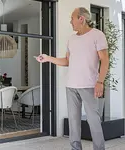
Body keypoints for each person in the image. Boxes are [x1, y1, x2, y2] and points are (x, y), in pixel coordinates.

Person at [36, 7, 109, 150]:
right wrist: (47, 58)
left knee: (93, 121)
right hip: (71, 86)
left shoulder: (97, 35)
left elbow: (105, 60)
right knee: (73, 122)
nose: (71, 22)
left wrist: (100, 81)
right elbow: (67, 61)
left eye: (72, 18)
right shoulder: (72, 39)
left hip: (89, 85)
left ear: (81, 19)